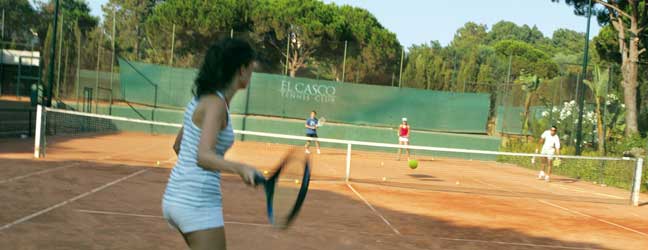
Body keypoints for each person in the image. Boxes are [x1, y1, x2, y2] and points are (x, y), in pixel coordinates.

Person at [162, 38, 258, 250]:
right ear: (241, 70)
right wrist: (241, 168)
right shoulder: (216, 105)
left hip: (175, 196)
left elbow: (179, 146)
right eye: (251, 66)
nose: (253, 70)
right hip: (197, 202)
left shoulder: (202, 99)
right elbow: (203, 156)